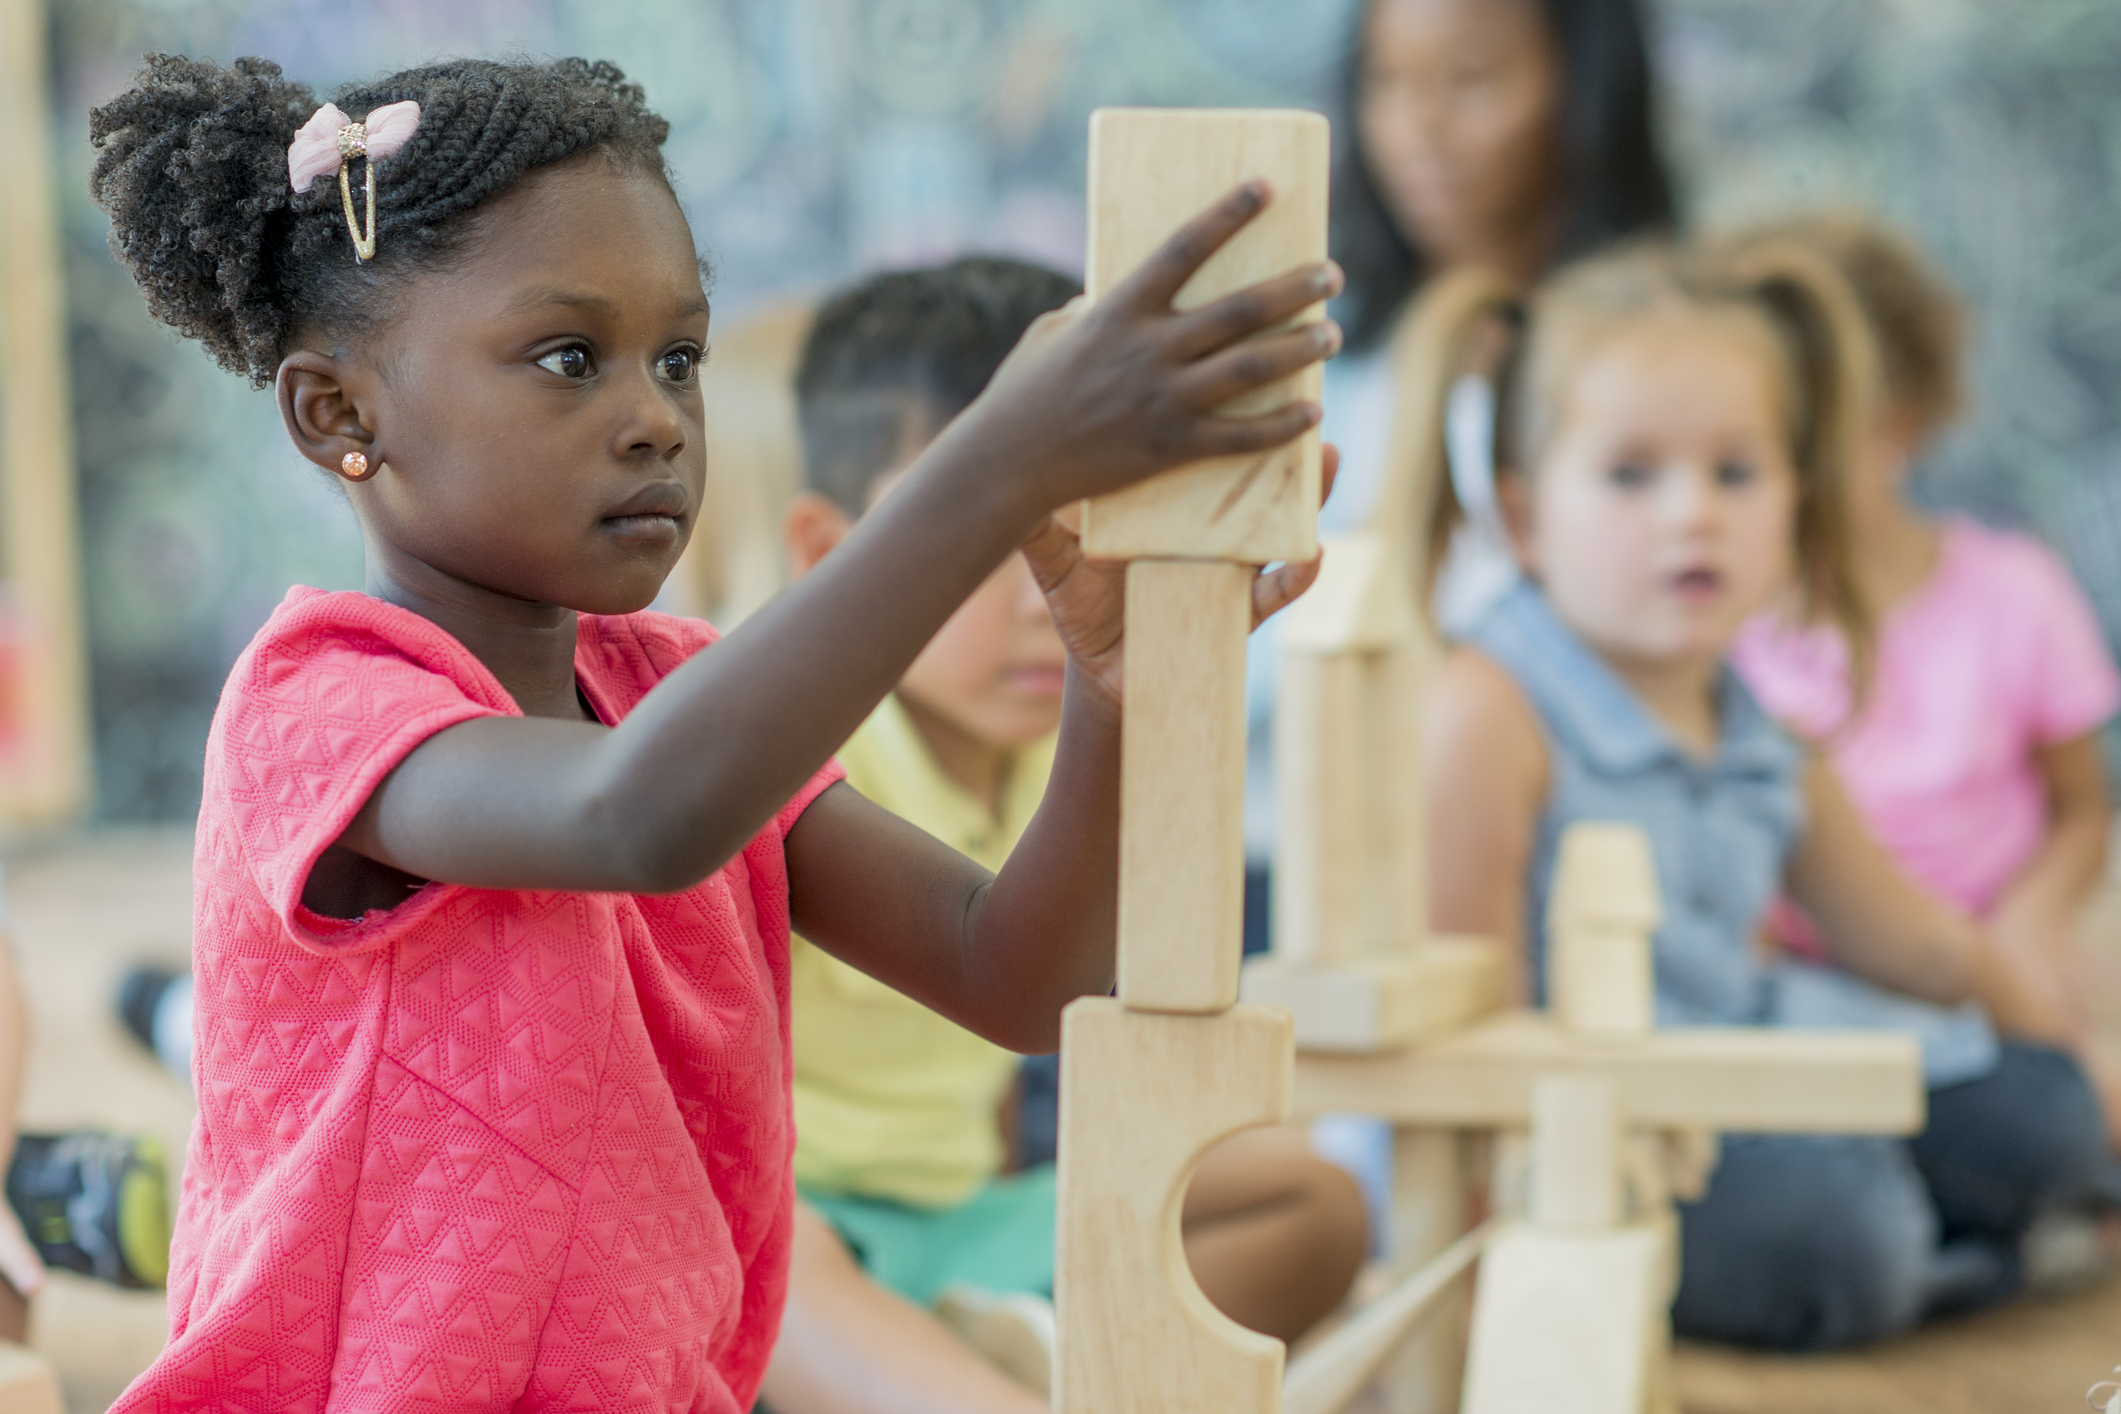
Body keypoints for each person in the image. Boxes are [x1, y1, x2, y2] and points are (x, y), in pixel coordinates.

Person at [86, 54, 1342, 1412]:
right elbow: (637, 818)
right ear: (341, 414)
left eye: (677, 358)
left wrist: (1119, 693)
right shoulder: (324, 697)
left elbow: (1014, 976)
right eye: (569, 357)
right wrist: (999, 464)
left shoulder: (673, 689)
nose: (652, 420)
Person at [1418, 237, 2109, 1351]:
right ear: (1524, 515)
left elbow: (1921, 947)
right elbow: (1473, 1027)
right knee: (1846, 1237)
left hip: (1759, 1060)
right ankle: (1946, 1252)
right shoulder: (1489, 705)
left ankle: (1949, 1232)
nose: (1691, 514)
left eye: (1736, 473)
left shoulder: (1749, 711)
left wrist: (2081, 1073)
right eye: (1630, 474)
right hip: (1603, 1123)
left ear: (1795, 497)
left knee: (2051, 1118)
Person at [761, 258, 1367, 1414]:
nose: (1052, 598)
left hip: (963, 1223)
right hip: (801, 1223)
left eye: (1091, 540)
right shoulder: (801, 749)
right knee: (782, 1260)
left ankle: (995, 1350)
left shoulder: (1066, 742)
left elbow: (1012, 1050)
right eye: (999, 541)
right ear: (832, 554)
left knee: (1314, 1200)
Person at [1245, 0, 1677, 953]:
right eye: (1387, 85)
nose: (1417, 130)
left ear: (1580, 90)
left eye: (1470, 82)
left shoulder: (1673, 361)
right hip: (1309, 873)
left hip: (1590, 873)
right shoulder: (1321, 363)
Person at [1728, 214, 2121, 1148]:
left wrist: (2032, 919)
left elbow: (2081, 808)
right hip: (1816, 972)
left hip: (2005, 950)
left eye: (1808, 433)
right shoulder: (1723, 627)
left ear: (1898, 422)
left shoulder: (2013, 590)